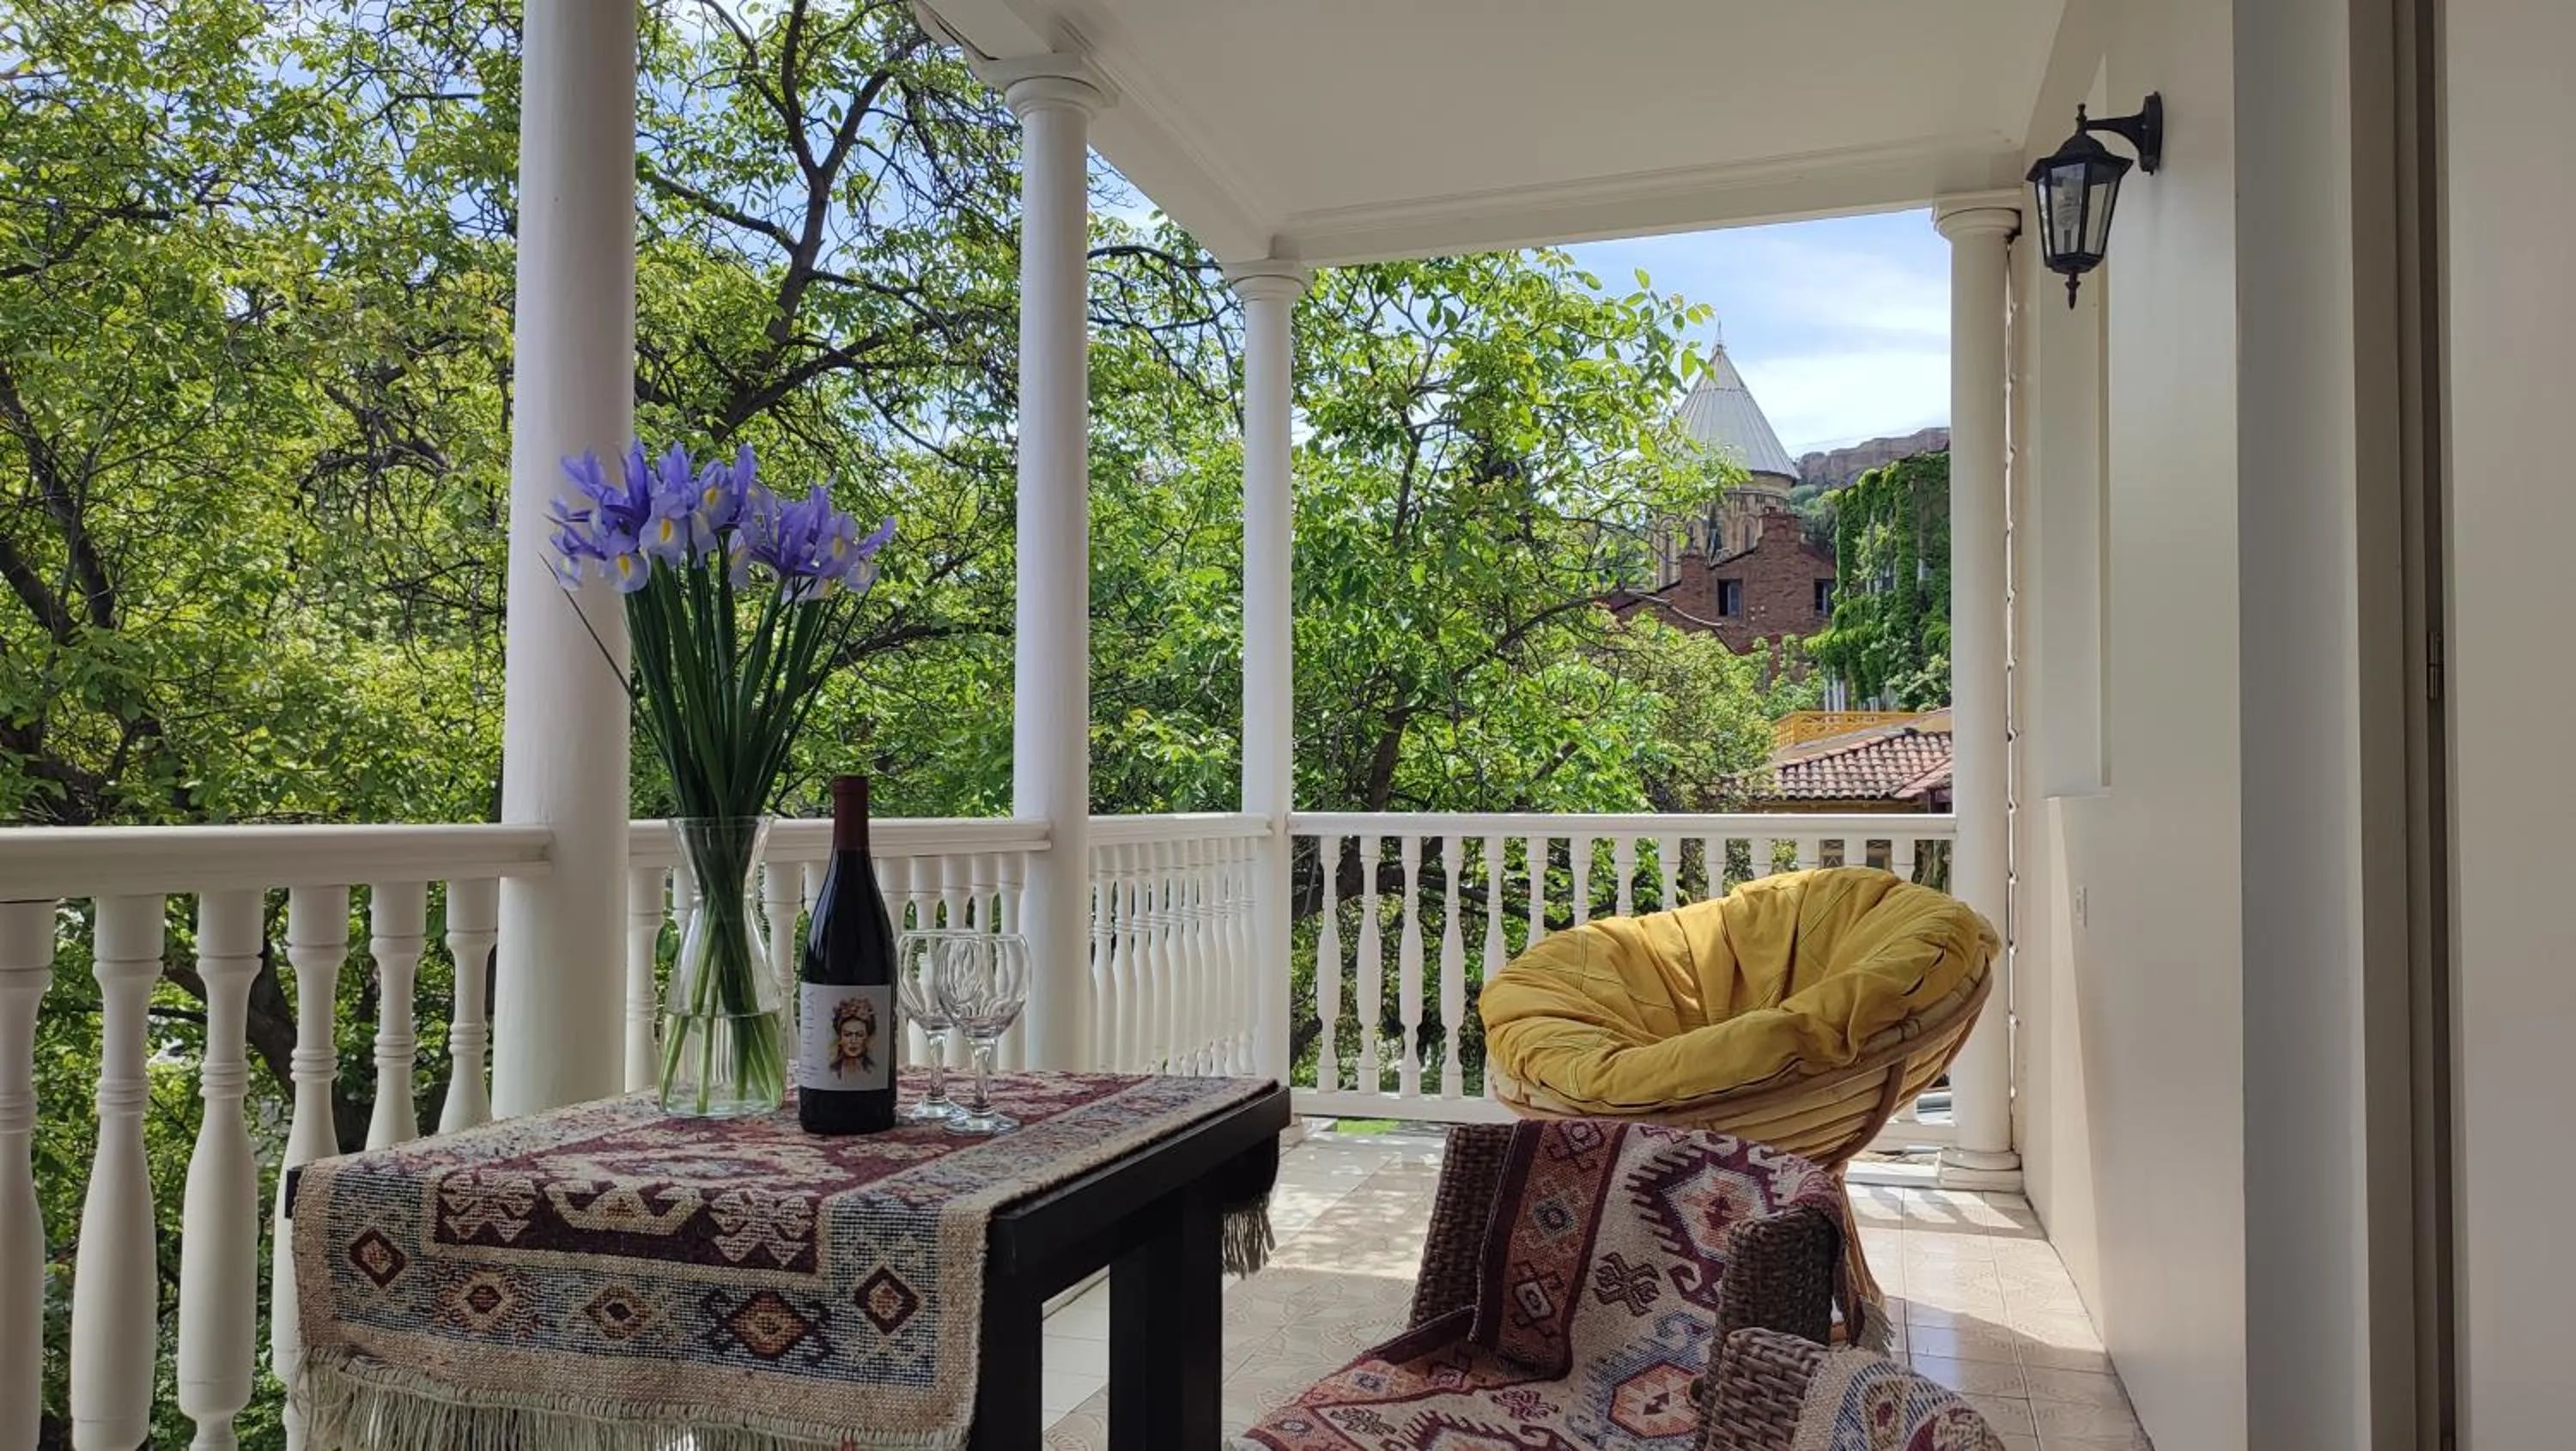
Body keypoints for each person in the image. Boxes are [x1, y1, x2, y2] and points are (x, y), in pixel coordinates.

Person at [828, 994, 879, 1079]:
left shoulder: (873, 1069)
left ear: (867, 1037)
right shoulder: (832, 1071)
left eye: (859, 1034)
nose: (853, 1040)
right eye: (848, 1034)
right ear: (840, 1037)